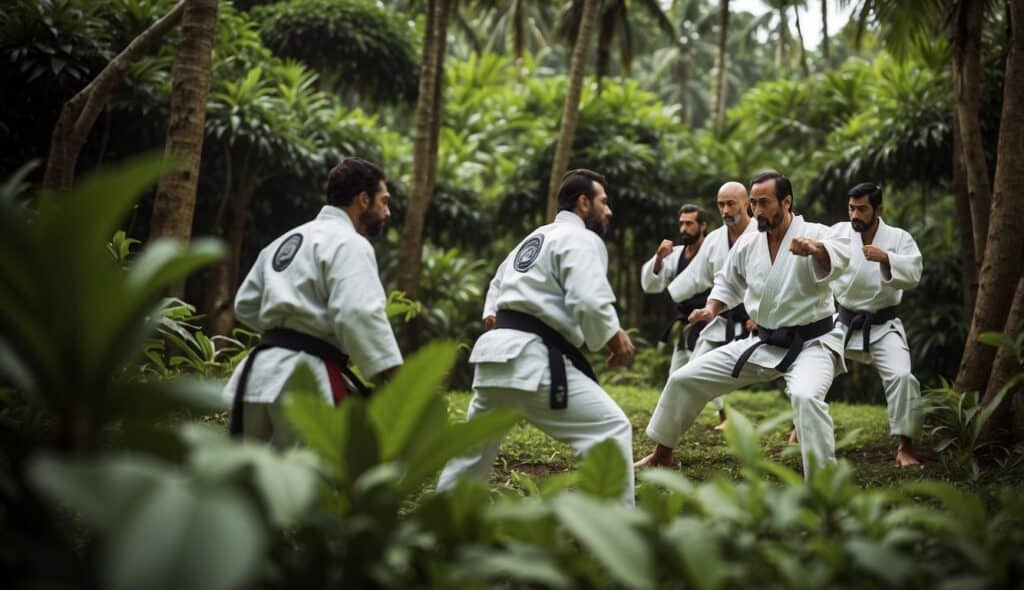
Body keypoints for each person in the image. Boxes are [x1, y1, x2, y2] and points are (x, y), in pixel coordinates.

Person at [437, 169, 637, 503]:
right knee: (611, 429)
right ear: (584, 203)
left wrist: (494, 314)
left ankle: (438, 523)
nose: (609, 210)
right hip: (531, 361)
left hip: (494, 358)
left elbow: (497, 286)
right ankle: (618, 530)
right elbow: (587, 299)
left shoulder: (534, 238)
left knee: (472, 452)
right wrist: (613, 337)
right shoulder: (582, 239)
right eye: (604, 201)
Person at [635, 171, 851, 477]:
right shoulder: (749, 243)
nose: (757, 210)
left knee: (805, 396)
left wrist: (815, 249)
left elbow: (843, 253)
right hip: (762, 343)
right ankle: (662, 453)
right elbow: (728, 283)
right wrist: (711, 309)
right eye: (753, 203)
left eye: (764, 203)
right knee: (684, 377)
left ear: (786, 202)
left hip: (812, 344)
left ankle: (823, 482)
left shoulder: (816, 232)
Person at [222, 157, 403, 447]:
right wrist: (393, 375)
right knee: (307, 483)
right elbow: (358, 312)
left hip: (257, 374)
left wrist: (290, 327)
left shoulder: (285, 240)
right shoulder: (350, 243)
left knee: (246, 482)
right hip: (305, 379)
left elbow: (246, 303)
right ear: (363, 199)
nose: (388, 212)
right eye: (384, 201)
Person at [830, 182, 924, 467]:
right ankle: (800, 428)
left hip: (883, 325)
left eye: (862, 209)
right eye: (851, 208)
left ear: (878, 209)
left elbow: (914, 273)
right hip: (843, 323)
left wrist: (887, 258)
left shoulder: (898, 238)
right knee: (813, 370)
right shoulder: (838, 233)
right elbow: (820, 260)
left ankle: (905, 446)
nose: (854, 215)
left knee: (902, 377)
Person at [655, 182, 759, 432]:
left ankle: (797, 427)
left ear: (746, 204)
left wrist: (761, 315)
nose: (725, 210)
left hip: (759, 320)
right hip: (720, 318)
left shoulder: (762, 234)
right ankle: (668, 433)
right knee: (690, 370)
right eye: (721, 204)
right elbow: (697, 276)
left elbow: (773, 280)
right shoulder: (714, 240)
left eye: (730, 203)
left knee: (793, 375)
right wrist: (676, 297)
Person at [640, 204, 710, 385]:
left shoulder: (712, 252)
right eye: (681, 224)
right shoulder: (676, 254)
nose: (684, 229)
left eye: (689, 224)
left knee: (699, 375)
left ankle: (721, 413)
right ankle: (675, 413)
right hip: (685, 324)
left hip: (710, 323)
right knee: (675, 378)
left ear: (703, 226)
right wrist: (659, 257)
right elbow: (651, 284)